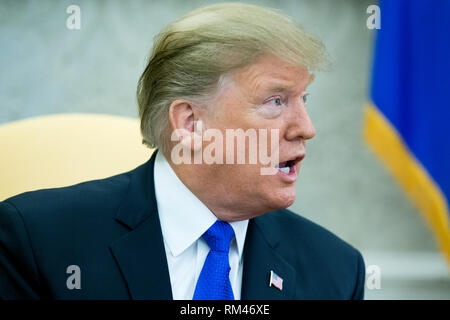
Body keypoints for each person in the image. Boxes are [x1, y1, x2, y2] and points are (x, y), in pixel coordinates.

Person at [0, 2, 365, 300]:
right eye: (275, 100)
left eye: (304, 99)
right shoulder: (37, 242)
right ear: (190, 123)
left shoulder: (337, 271)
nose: (306, 127)